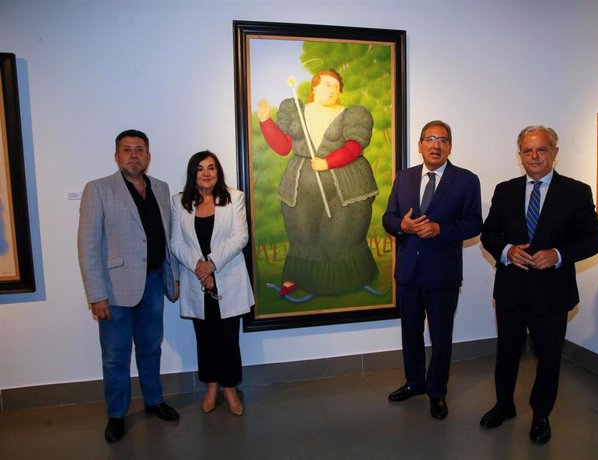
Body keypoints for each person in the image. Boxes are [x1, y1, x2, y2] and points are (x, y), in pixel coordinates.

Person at [479, 125, 598, 444]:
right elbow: (489, 234)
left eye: (541, 149)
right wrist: (507, 251)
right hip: (510, 289)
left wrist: (559, 254)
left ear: (554, 153)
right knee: (506, 352)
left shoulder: (577, 191)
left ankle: (541, 416)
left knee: (548, 358)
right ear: (519, 155)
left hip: (553, 292)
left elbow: (594, 239)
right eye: (527, 151)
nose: (534, 156)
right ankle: (504, 405)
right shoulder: (505, 189)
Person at [78, 129, 180, 443]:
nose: (133, 154)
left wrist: (172, 274)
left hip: (152, 283)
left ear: (148, 156)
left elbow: (167, 235)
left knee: (151, 348)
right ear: (117, 156)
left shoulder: (161, 188)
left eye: (139, 149)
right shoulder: (98, 190)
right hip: (115, 289)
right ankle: (117, 415)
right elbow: (88, 246)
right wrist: (97, 295)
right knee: (115, 356)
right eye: (127, 149)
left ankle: (154, 401)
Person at [382, 120, 482, 420]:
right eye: (430, 139)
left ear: (450, 146)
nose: (436, 145)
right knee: (410, 333)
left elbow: (474, 223)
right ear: (420, 145)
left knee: (440, 336)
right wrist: (403, 225)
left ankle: (437, 392)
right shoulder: (404, 178)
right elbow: (388, 218)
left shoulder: (466, 180)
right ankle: (414, 382)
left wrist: (440, 229)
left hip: (443, 276)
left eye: (442, 139)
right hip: (408, 274)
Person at [257, 68, 379, 297]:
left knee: (340, 236)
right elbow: (283, 147)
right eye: (326, 84)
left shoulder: (351, 114)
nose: (331, 89)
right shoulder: (298, 111)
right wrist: (265, 121)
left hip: (347, 186)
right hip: (300, 187)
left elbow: (354, 147)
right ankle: (299, 278)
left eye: (335, 86)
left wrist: (328, 162)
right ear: (314, 87)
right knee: (302, 233)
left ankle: (344, 282)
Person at [170, 150, 254, 416]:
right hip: (198, 281)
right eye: (200, 168)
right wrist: (199, 267)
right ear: (192, 173)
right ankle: (211, 386)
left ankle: (230, 389)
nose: (206, 173)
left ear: (218, 172)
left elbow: (240, 237)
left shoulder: (234, 198)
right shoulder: (179, 202)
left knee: (228, 338)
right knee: (205, 338)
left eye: (211, 168)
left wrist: (211, 265)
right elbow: (176, 242)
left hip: (227, 278)